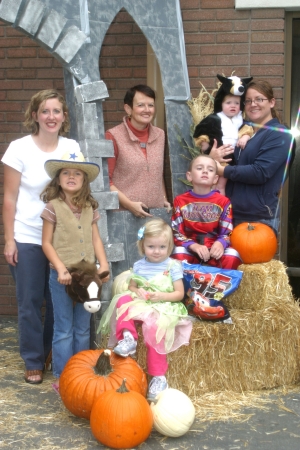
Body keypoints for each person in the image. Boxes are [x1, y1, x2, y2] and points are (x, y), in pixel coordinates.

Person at [2, 89, 79, 384]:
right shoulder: (19, 149)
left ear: (64, 117)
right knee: (31, 301)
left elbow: (78, 190)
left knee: (58, 300)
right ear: (34, 115)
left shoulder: (71, 147)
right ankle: (33, 359)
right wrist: (10, 240)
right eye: (45, 111)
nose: (51, 117)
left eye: (56, 111)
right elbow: (9, 198)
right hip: (28, 235)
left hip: (62, 239)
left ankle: (49, 351)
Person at [99, 218, 192, 401]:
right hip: (143, 303)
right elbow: (132, 287)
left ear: (169, 247)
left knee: (155, 329)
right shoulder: (140, 265)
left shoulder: (173, 266)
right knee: (123, 299)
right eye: (151, 247)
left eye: (161, 247)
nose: (156, 252)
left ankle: (158, 377)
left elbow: (179, 294)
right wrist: (137, 291)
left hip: (163, 305)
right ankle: (129, 338)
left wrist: (162, 296)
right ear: (143, 246)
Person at [40, 151, 110, 392]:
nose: (71, 176)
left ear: (84, 180)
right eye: (66, 173)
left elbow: (96, 240)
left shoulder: (90, 207)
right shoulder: (53, 207)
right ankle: (63, 376)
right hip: (64, 276)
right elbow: (47, 243)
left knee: (83, 326)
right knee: (63, 328)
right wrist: (60, 268)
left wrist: (104, 264)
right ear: (58, 180)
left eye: (77, 173)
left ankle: (83, 372)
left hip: (88, 277)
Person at [211, 79, 293, 233]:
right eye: (248, 101)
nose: (253, 104)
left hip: (257, 217)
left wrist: (222, 171)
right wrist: (212, 156)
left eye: (259, 99)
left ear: (272, 102)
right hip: (230, 212)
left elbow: (260, 172)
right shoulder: (243, 132)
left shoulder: (279, 134)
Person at [106, 84, 171, 218]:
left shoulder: (160, 135)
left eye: (151, 105)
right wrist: (129, 204)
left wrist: (163, 198)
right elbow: (106, 181)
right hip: (124, 215)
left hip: (155, 215)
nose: (147, 110)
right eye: (140, 105)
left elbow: (159, 173)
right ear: (128, 109)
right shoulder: (113, 136)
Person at [171, 154, 241, 269]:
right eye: (199, 168)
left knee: (233, 256)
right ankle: (186, 286)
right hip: (191, 248)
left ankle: (220, 284)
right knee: (178, 254)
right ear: (189, 176)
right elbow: (177, 232)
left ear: (215, 179)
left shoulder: (223, 202)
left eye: (210, 169)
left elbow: (228, 232)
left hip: (214, 248)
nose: (205, 171)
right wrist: (193, 246)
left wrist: (220, 244)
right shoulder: (180, 201)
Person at [193, 94, 253, 195]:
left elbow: (248, 130)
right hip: (216, 153)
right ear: (221, 104)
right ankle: (210, 202)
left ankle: (221, 204)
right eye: (228, 103)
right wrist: (204, 142)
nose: (233, 106)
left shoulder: (240, 120)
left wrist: (245, 137)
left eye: (236, 103)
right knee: (210, 183)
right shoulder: (215, 118)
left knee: (221, 185)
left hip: (229, 158)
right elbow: (202, 130)